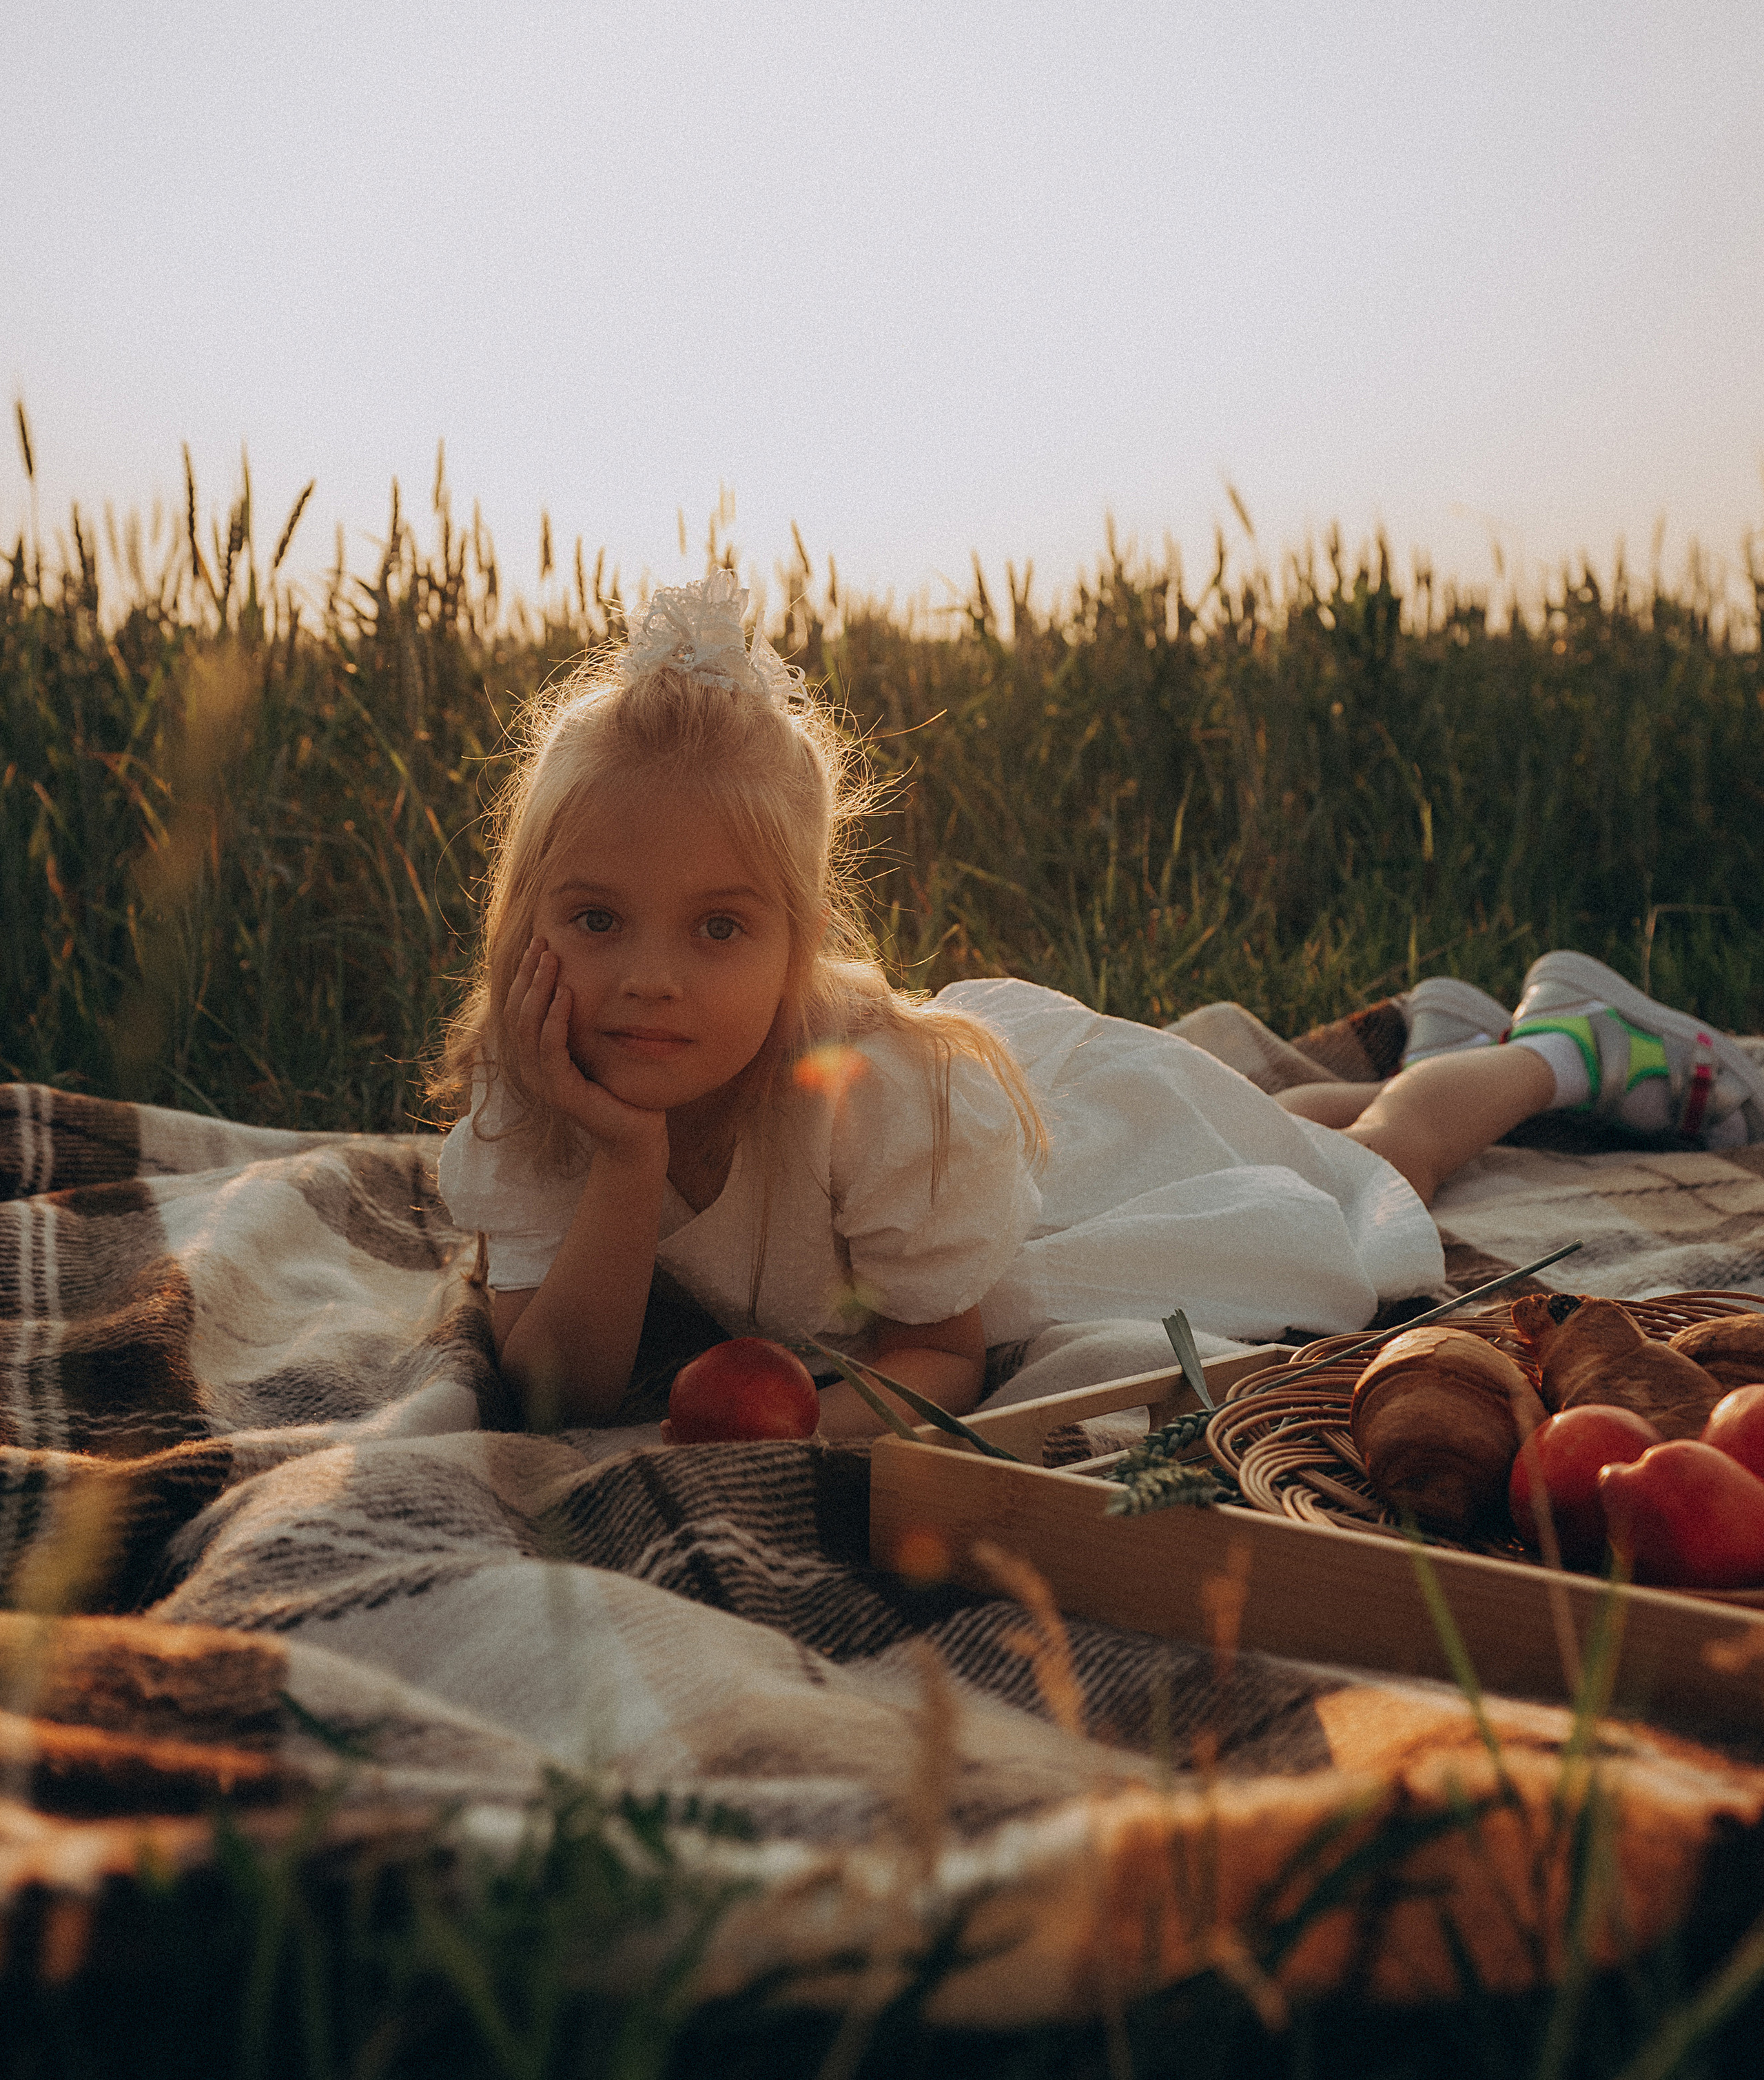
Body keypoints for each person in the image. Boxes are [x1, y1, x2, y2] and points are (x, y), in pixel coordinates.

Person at [434, 574, 1764, 1436]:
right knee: (1260, 1118)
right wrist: (626, 1162)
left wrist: (819, 1432)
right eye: (597, 917)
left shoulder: (877, 1092)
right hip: (1027, 1140)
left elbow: (939, 1347)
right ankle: (1442, 1027)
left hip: (1048, 1178)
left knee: (1349, 1178)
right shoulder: (543, 1072)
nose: (649, 977)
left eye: (719, 926)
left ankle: (1560, 1047)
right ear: (529, 917)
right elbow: (556, 1389)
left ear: (800, 942)